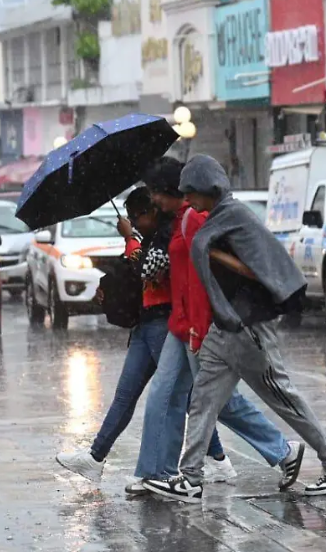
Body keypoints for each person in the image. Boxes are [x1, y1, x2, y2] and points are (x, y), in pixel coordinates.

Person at [143, 155, 326, 504]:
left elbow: (261, 269)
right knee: (202, 400)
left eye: (193, 193)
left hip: (249, 326)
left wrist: (215, 254)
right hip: (224, 325)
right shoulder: (215, 217)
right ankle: (191, 478)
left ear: (207, 189)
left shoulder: (235, 217)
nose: (189, 200)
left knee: (283, 398)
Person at [55, 187, 229, 493]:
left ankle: (218, 457)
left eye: (138, 217)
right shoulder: (151, 235)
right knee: (130, 395)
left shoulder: (165, 232)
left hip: (163, 322)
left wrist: (129, 239)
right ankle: (96, 458)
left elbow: (149, 269)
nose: (134, 222)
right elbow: (134, 270)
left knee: (185, 397)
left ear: (152, 210)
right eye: (132, 218)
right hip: (145, 322)